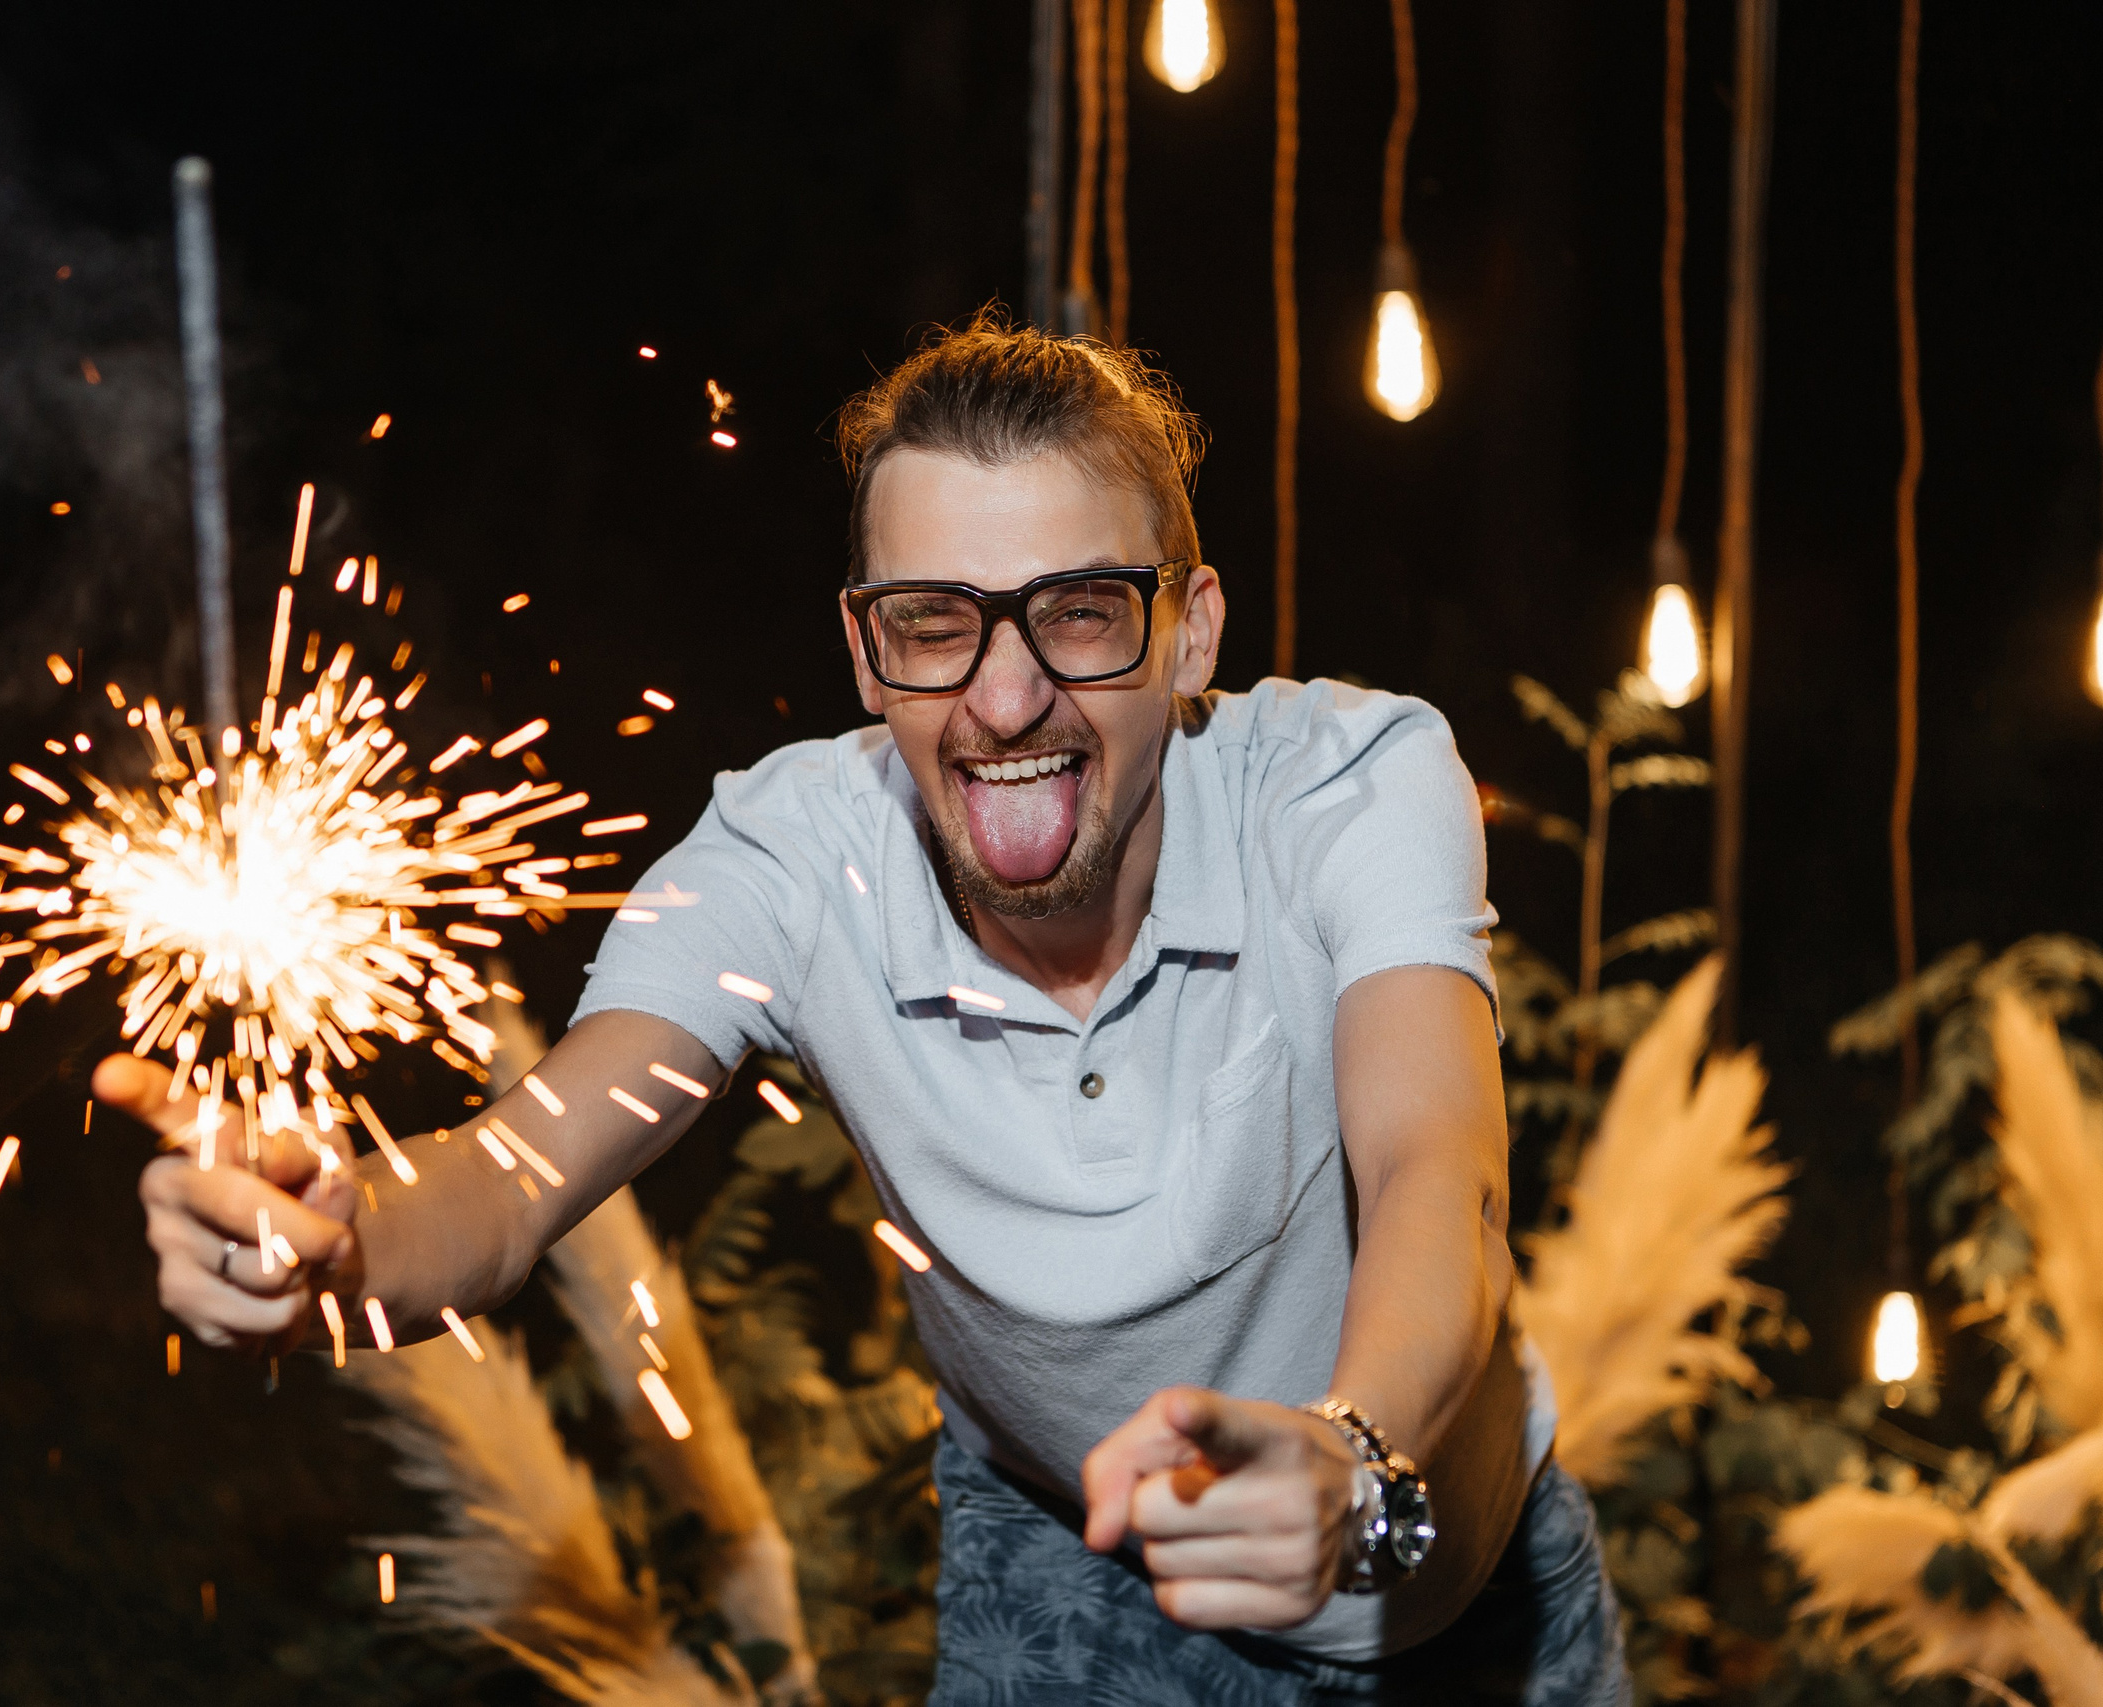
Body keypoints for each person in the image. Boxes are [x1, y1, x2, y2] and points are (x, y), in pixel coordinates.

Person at [106, 314, 1630, 1703]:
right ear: (864, 650)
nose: (1006, 698)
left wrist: (1350, 1460)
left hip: (1450, 1586)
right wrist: (337, 1249)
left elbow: (1438, 1170)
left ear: (1192, 630)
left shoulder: (1349, 783)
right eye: (933, 622)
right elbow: (511, 1186)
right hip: (1068, 1577)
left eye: (1081, 612)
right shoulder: (788, 862)